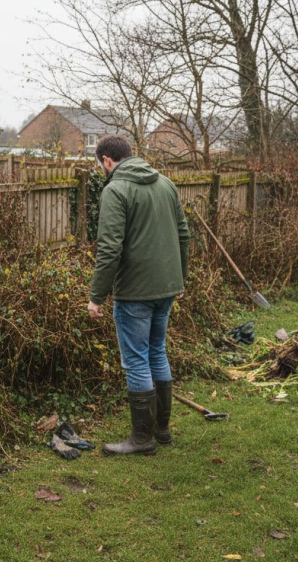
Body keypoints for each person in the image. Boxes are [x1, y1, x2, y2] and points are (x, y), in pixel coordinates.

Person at [87, 135, 190, 456]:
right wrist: (179, 280)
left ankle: (142, 439)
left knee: (136, 360)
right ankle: (161, 430)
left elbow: (109, 248)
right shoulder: (165, 184)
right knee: (157, 352)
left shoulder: (115, 190)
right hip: (167, 286)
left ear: (106, 160)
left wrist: (96, 296)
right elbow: (184, 235)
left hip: (135, 291)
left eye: (100, 164)